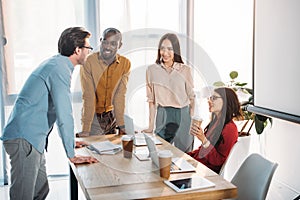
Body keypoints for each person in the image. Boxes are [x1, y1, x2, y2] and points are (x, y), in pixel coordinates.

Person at [0, 27, 98, 200]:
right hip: (25, 139)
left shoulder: (58, 64)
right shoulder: (59, 69)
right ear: (77, 50)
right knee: (23, 196)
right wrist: (71, 154)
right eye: (88, 48)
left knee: (41, 190)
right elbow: (64, 113)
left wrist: (71, 142)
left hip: (32, 140)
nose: (89, 51)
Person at [142, 33, 195, 152]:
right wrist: (150, 126)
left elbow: (192, 97)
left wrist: (192, 119)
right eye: (162, 48)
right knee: (160, 153)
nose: (165, 53)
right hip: (163, 114)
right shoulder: (152, 70)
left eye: (170, 49)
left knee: (185, 155)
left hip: (183, 115)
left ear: (175, 50)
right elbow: (151, 100)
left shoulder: (185, 70)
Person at [76, 28, 131, 137]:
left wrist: (121, 125)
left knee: (114, 150)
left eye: (113, 43)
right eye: (105, 42)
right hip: (94, 118)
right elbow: (89, 96)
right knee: (96, 151)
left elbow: (120, 96)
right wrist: (86, 129)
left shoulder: (125, 64)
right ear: (100, 41)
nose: (107, 47)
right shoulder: (89, 62)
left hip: (111, 117)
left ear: (120, 45)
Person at [188, 87, 243, 173]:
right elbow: (202, 151)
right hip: (197, 165)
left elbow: (218, 161)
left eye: (214, 98)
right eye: (210, 98)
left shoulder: (230, 129)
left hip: (204, 172)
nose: (209, 101)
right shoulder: (216, 122)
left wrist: (203, 139)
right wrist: (186, 157)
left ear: (226, 101)